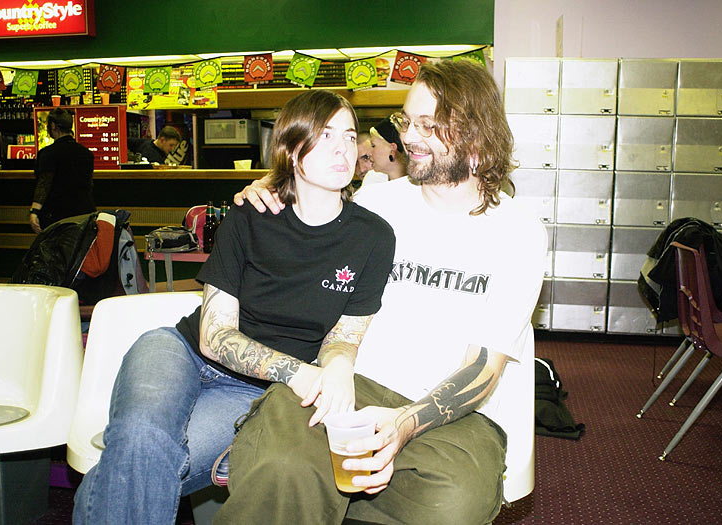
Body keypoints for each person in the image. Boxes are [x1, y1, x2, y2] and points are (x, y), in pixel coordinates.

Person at [222, 59, 547, 524]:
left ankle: (321, 490)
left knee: (453, 503)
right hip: (346, 388)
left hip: (451, 417)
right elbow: (301, 228)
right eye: (406, 121)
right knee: (282, 466)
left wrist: (404, 424)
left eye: (427, 125)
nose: (408, 137)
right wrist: (272, 188)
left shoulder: (518, 231)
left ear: (476, 134)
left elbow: (484, 367)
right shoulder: (374, 202)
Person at [72, 90, 396, 524]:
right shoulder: (249, 215)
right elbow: (214, 336)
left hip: (252, 390)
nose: (342, 148)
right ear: (291, 148)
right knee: (142, 437)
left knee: (135, 466)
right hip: (180, 351)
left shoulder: (373, 236)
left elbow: (345, 334)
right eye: (325, 135)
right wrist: (302, 373)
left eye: (349, 136)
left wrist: (339, 365)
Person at [28, 108, 95, 233]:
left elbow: (44, 184)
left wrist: (34, 211)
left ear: (53, 126)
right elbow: (89, 185)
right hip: (85, 214)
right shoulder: (87, 153)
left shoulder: (48, 153)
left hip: (58, 216)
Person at [361, 116, 408, 186]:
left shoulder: (420, 185)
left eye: (373, 146)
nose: (370, 153)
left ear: (392, 149)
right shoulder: (372, 180)